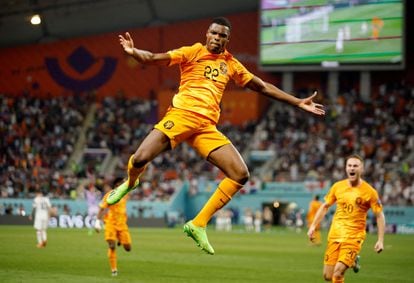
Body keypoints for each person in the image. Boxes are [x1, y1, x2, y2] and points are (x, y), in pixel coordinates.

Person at [107, 16, 325, 255]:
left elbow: (261, 86)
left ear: (227, 39)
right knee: (139, 159)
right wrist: (133, 51)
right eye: (213, 33)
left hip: (206, 127)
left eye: (222, 35)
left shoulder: (230, 64)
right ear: (207, 34)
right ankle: (130, 182)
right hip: (180, 116)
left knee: (240, 174)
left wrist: (297, 102)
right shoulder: (193, 52)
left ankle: (198, 223)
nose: (216, 38)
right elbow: (154, 59)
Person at [307, 154, 386, 283]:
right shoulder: (337, 187)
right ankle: (354, 262)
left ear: (362, 169)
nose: (352, 168)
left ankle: (351, 260)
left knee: (338, 273)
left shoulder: (370, 192)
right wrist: (313, 226)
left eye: (355, 166)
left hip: (354, 237)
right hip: (335, 235)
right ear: (345, 168)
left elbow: (379, 215)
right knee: (328, 276)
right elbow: (325, 206)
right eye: (349, 165)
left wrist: (380, 240)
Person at [95, 178, 132, 277]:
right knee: (111, 245)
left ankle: (120, 238)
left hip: (122, 224)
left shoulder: (126, 193)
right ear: (117, 185)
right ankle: (114, 269)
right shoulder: (109, 195)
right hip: (110, 223)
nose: (124, 184)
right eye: (122, 183)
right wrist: (97, 222)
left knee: (128, 248)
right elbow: (102, 208)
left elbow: (132, 183)